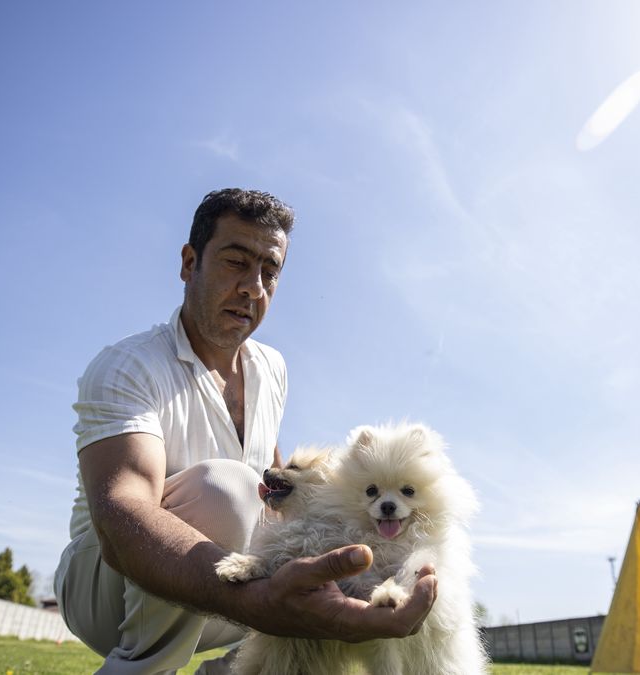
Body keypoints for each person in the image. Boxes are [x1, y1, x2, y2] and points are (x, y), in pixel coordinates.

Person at [54, 188, 438, 674]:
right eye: (236, 262)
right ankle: (140, 668)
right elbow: (120, 518)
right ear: (189, 263)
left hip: (220, 589)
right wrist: (258, 601)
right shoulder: (130, 366)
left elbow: (274, 494)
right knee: (226, 488)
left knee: (296, 512)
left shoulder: (270, 368)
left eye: (269, 272)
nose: (254, 288)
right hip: (110, 588)